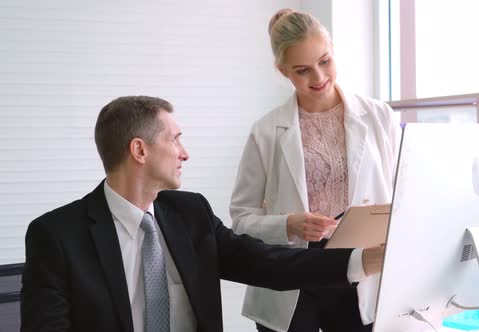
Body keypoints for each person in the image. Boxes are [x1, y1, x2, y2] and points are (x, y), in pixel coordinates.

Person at [20, 96, 386, 332]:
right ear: (140, 151)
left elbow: (269, 263)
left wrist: (363, 260)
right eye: (175, 138)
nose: (185, 152)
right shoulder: (57, 235)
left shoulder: (189, 213)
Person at [229, 8, 401, 332]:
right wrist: (288, 226)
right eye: (303, 70)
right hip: (293, 273)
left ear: (333, 50)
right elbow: (240, 220)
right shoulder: (266, 131)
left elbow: (404, 198)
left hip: (361, 268)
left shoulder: (380, 117)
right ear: (283, 72)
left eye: (325, 61)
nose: (319, 78)